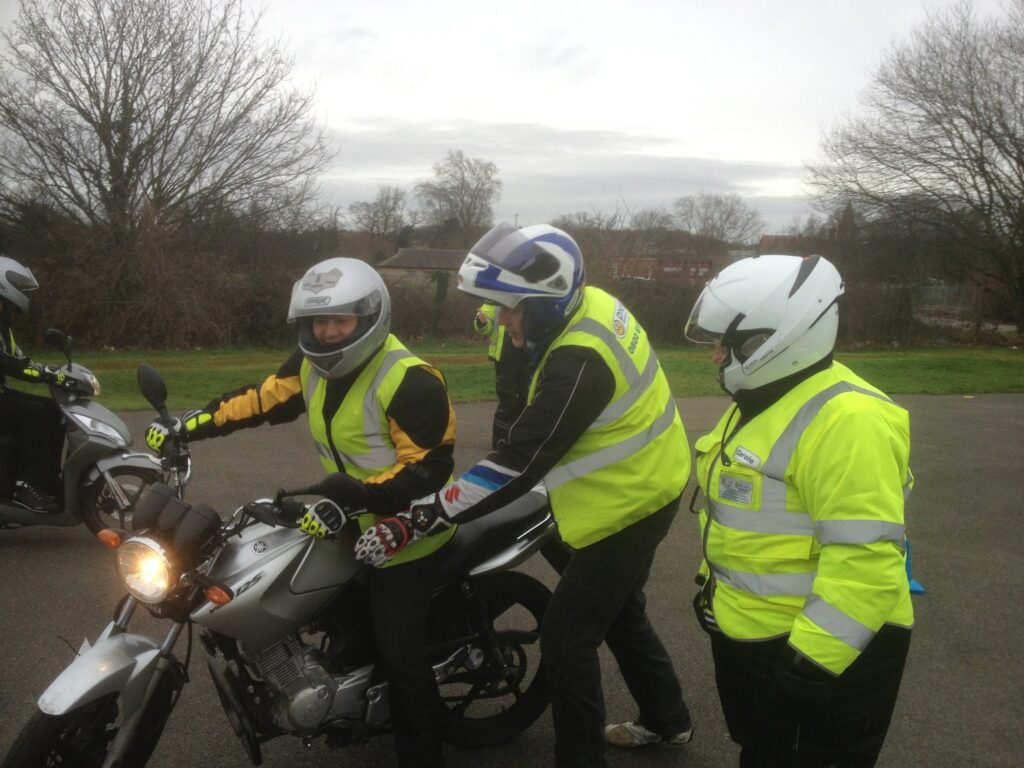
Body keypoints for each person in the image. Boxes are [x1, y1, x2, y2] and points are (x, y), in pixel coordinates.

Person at [353, 223, 695, 768]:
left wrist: (421, 517)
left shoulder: (579, 362)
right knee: (619, 612)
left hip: (633, 502)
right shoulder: (587, 305)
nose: (499, 319)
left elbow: (515, 465)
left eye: (510, 308)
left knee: (567, 637)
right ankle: (667, 718)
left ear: (547, 303)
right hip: (628, 480)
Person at [144, 257, 457, 768]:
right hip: (345, 520)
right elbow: (258, 401)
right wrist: (187, 426)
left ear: (370, 317)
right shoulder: (311, 364)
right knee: (316, 609)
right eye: (318, 321)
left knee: (401, 657)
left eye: (340, 321)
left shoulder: (410, 380)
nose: (328, 332)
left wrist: (353, 500)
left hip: (409, 531)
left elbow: (428, 469)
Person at [684, 254, 914, 767]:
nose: (715, 356)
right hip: (759, 636)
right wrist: (711, 584)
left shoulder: (848, 422)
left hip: (822, 651)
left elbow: (865, 562)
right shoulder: (767, 396)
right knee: (761, 752)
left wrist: (811, 662)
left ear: (777, 339)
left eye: (730, 344)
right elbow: (743, 514)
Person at [0, 256, 66, 512]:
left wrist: (51, 370)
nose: (22, 291)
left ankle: (45, 480)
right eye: (18, 285)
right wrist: (46, 374)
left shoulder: (4, 324)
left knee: (54, 410)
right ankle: (23, 485)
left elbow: (20, 360)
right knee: (34, 414)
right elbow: (7, 364)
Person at [472, 302, 529, 448]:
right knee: (509, 399)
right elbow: (483, 328)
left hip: (526, 357)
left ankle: (517, 438)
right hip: (504, 358)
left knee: (525, 399)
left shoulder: (526, 299)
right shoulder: (494, 301)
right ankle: (498, 441)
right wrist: (481, 322)